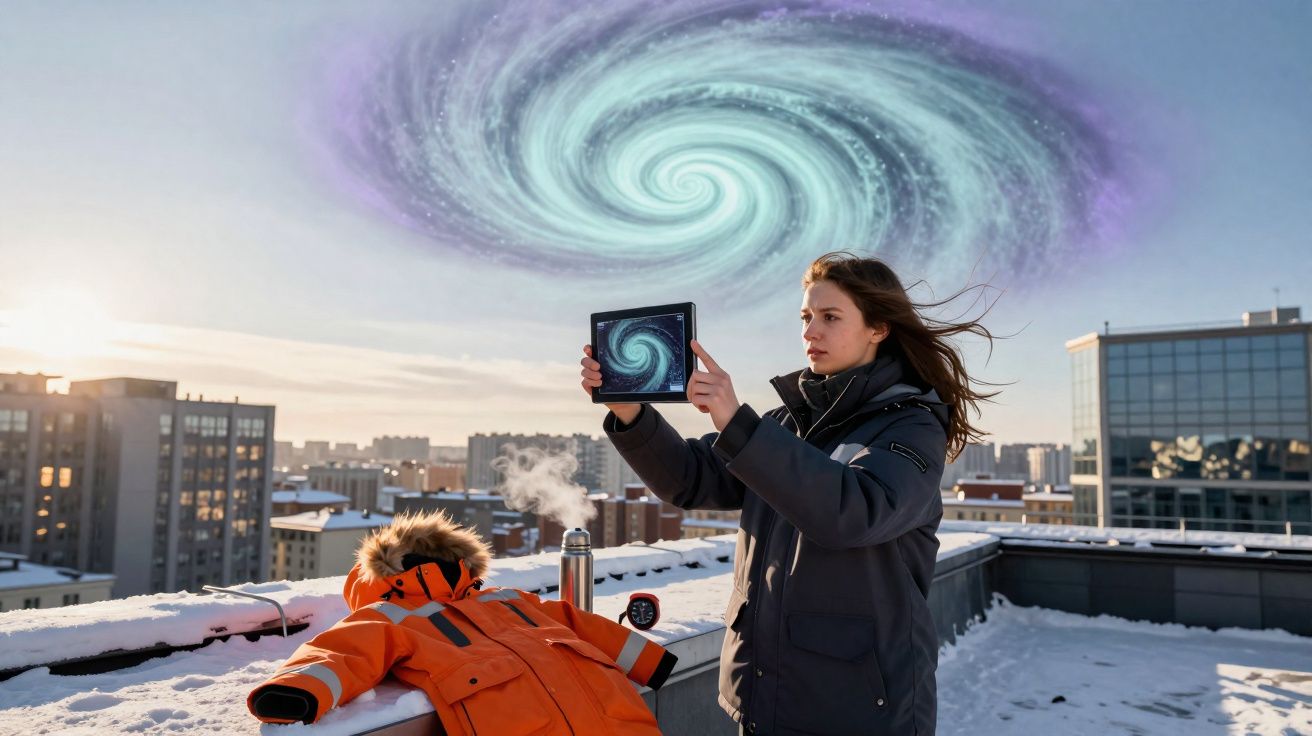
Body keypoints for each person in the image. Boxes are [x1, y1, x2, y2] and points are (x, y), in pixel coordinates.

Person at [579, 252, 997, 736]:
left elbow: (854, 512)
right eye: (806, 317)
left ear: (878, 328)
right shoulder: (789, 424)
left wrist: (738, 424)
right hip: (764, 695)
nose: (810, 331)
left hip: (858, 708)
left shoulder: (911, 425)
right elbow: (690, 479)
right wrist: (630, 412)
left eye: (830, 317)